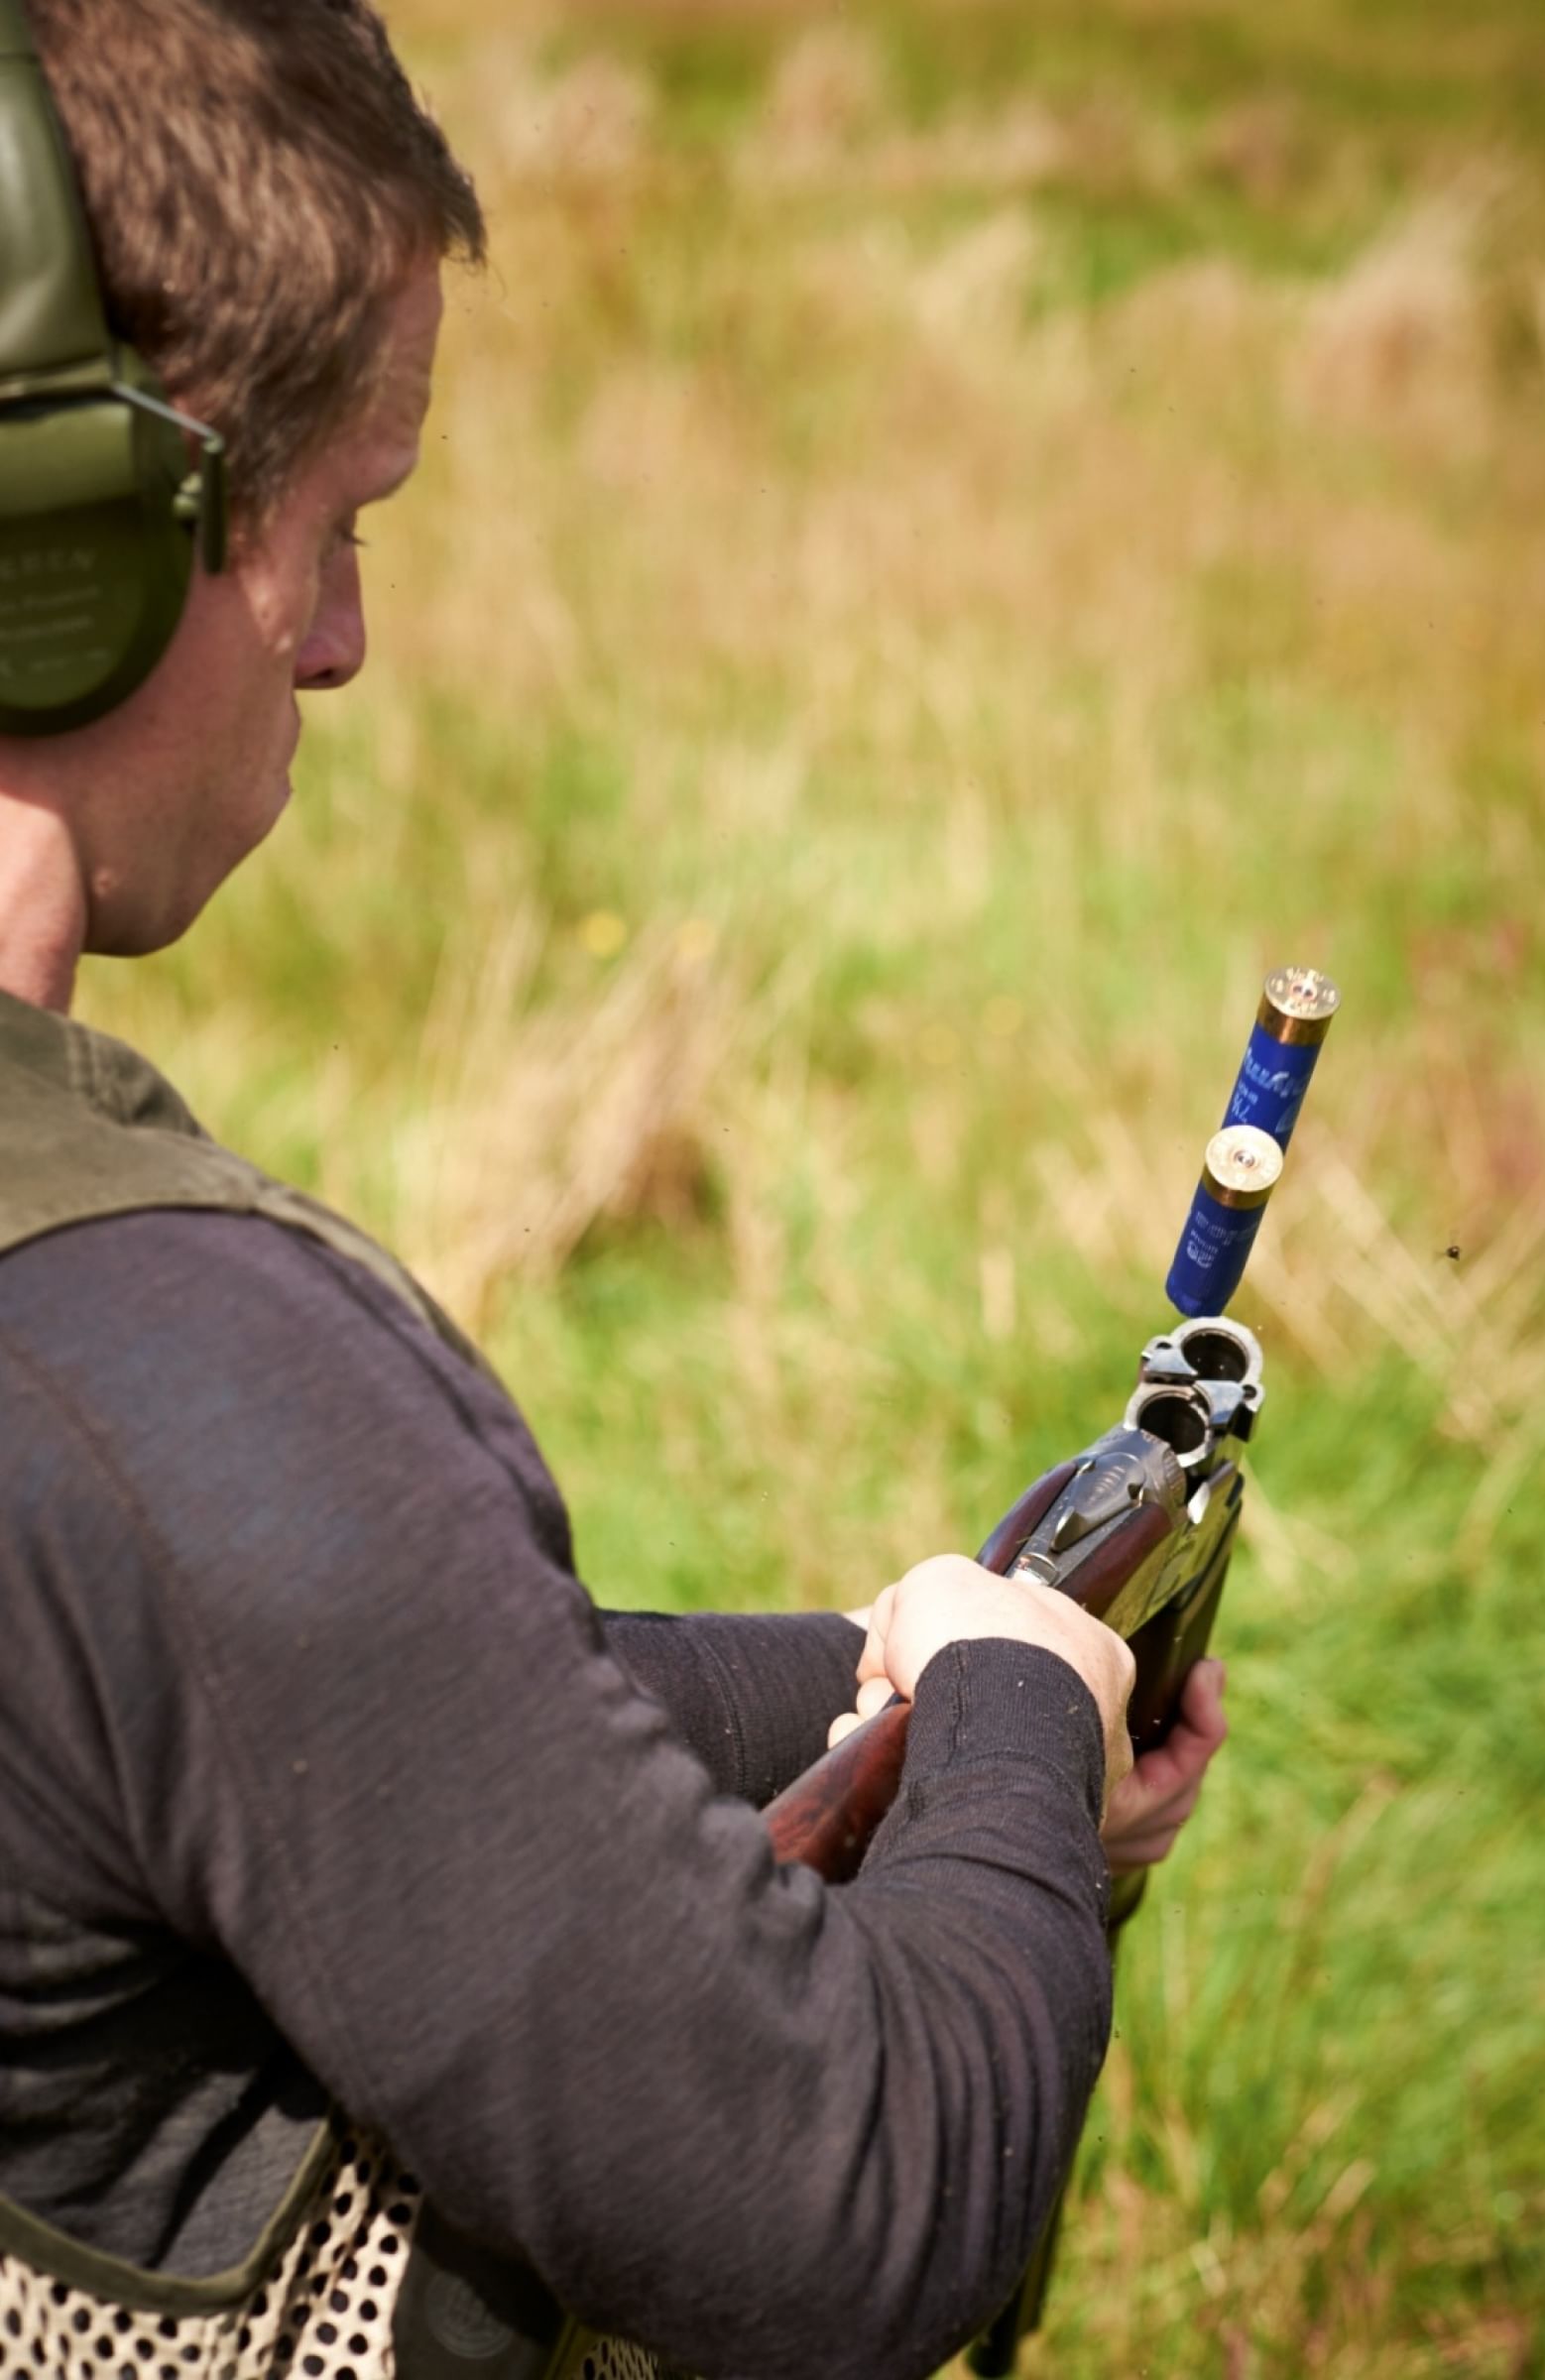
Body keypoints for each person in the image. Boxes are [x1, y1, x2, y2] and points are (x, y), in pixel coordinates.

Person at [0, 6, 1227, 2377]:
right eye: (333, 524)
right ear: (74, 544)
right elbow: (854, 2218)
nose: (344, 643)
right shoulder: (177, 1381)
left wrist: (916, 1680)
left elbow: (299, 1709)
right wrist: (1011, 1775)